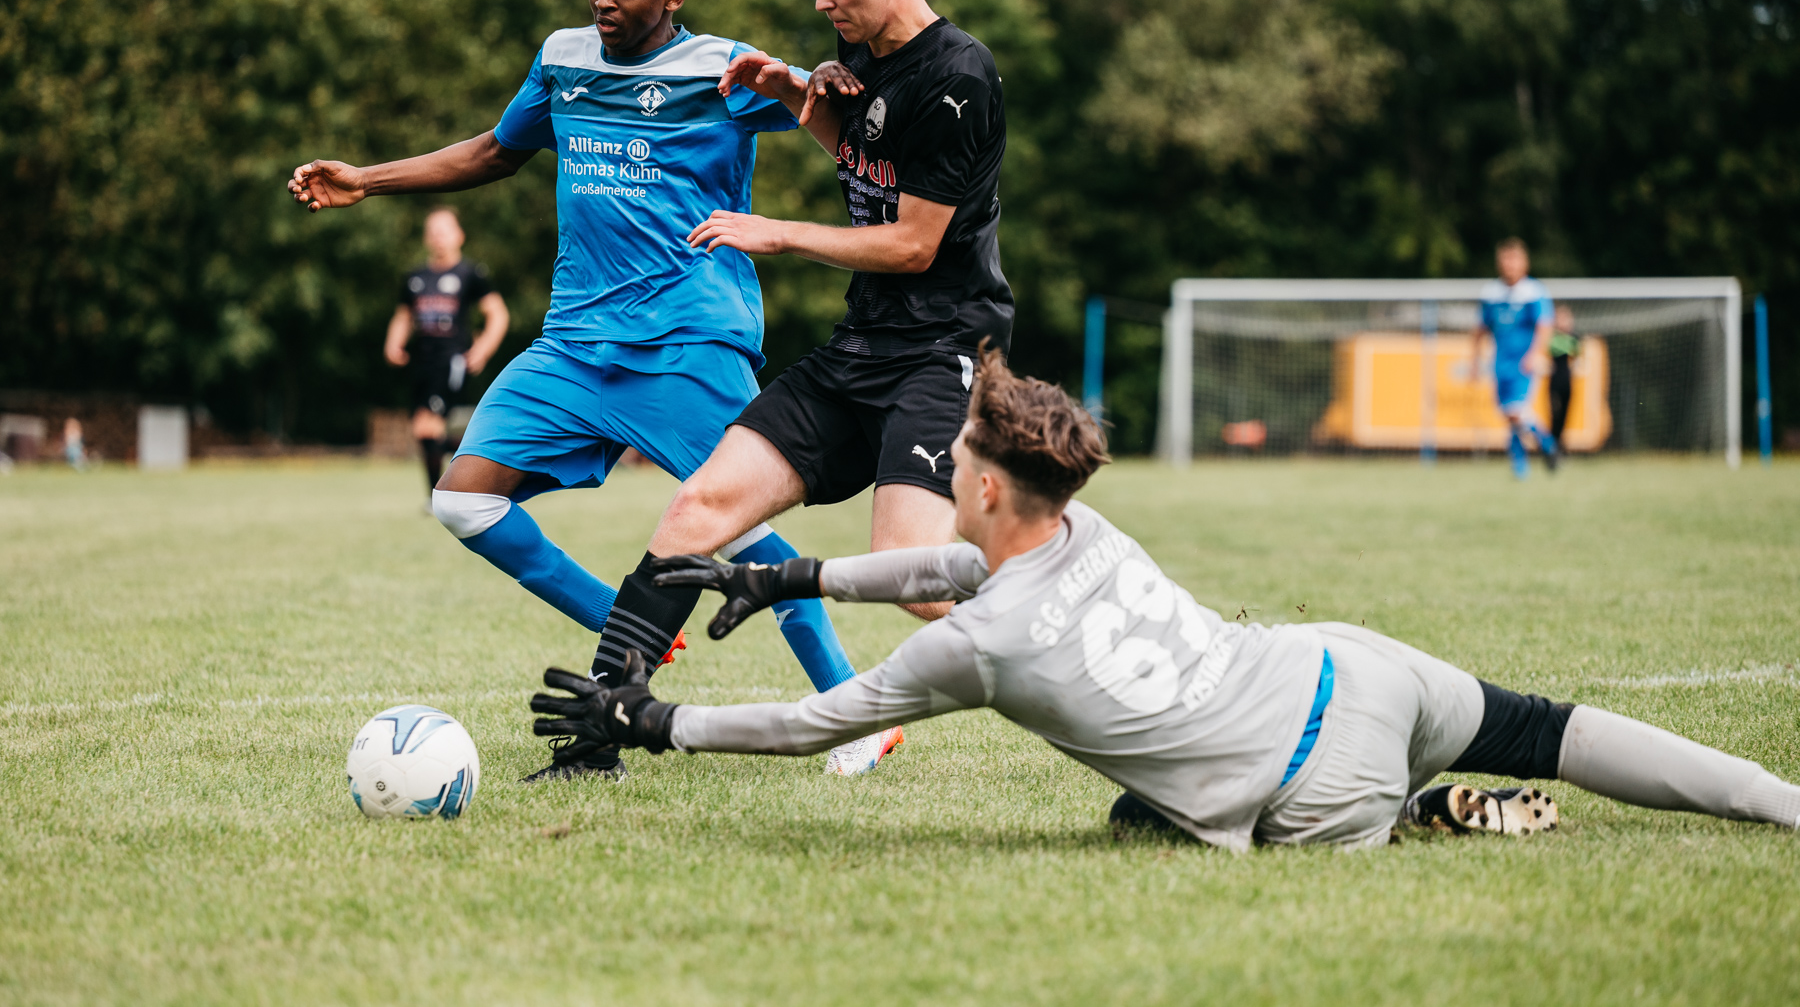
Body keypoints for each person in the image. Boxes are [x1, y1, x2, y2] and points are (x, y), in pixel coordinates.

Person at [530, 347, 1800, 849]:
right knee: (1551, 727)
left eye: (954, 457)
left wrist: (656, 720)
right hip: (1347, 666)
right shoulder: (1081, 526)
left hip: (1311, 790)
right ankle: (1778, 800)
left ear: (985, 487)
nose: (941, 465)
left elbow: (819, 721)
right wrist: (791, 573)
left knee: (1143, 823)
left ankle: (1418, 813)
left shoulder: (980, 646)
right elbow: (945, 569)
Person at [287, 0, 867, 781]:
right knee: (462, 502)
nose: (603, 0)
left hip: (685, 341)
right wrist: (366, 179)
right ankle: (626, 628)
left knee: (743, 532)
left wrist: (815, 79)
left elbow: (830, 118)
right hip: (571, 344)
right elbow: (495, 151)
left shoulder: (720, 66)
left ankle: (855, 715)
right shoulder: (562, 58)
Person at [570, 0, 1011, 777]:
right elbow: (863, 159)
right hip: (859, 348)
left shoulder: (959, 75)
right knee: (699, 506)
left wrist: (776, 232)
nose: (821, 1)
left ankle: (1085, 633)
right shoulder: (865, 55)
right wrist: (789, 93)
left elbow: (914, 244)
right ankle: (595, 734)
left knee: (915, 579)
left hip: (941, 352)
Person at [385, 208, 508, 494]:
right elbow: (404, 316)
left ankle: (440, 493)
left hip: (452, 359)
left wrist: (484, 348)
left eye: (445, 231)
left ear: (459, 235)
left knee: (428, 427)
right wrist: (393, 342)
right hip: (422, 360)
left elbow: (498, 314)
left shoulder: (471, 273)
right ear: (426, 238)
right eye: (433, 232)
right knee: (423, 429)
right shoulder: (415, 277)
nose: (439, 237)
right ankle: (484, 457)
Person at [1472, 238, 1557, 479]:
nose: (1509, 265)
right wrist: (1474, 361)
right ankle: (1524, 464)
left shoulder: (1534, 292)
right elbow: (1480, 329)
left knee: (1516, 411)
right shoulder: (1491, 293)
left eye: (1513, 259)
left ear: (1524, 262)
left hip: (1524, 363)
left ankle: (1546, 445)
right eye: (1505, 259)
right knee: (1511, 416)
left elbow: (1544, 326)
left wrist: (1535, 354)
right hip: (1500, 363)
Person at [1547, 303, 1581, 451]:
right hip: (1554, 382)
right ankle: (1552, 445)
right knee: (1554, 414)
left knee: (1564, 415)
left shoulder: (1573, 338)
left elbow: (1577, 358)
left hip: (1567, 381)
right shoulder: (1551, 337)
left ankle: (1559, 444)